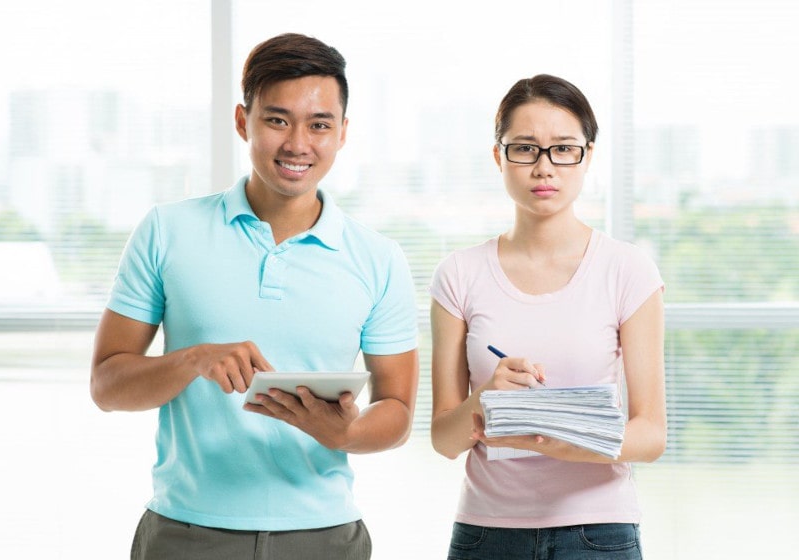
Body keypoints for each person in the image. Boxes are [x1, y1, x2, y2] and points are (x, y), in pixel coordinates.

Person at [90, 32, 419, 560]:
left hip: (325, 537)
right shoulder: (166, 230)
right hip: (184, 533)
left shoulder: (379, 259)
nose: (297, 144)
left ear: (342, 133)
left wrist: (344, 432)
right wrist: (193, 359)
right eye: (277, 119)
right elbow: (107, 385)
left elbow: (398, 411)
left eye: (319, 125)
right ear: (244, 121)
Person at [429, 74, 666, 559]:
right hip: (484, 533)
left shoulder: (628, 269)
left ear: (588, 157)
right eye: (524, 149)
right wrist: (486, 396)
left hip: (598, 531)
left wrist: (560, 442)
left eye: (563, 149)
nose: (544, 168)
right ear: (499, 156)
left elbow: (651, 434)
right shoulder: (459, 274)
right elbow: (443, 439)